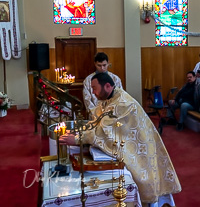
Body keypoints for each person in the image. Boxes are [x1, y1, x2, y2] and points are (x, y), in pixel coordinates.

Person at [60, 73, 181, 204]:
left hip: (141, 153)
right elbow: (99, 121)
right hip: (135, 144)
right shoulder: (110, 99)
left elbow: (103, 131)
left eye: (94, 88)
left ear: (107, 86)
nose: (93, 93)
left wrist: (78, 138)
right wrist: (79, 130)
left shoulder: (122, 103)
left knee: (142, 181)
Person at [83, 52, 122, 117]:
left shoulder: (115, 79)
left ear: (108, 63)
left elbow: (119, 96)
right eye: (99, 65)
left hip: (112, 113)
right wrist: (95, 114)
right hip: (95, 115)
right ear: (95, 64)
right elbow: (87, 100)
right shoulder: (88, 80)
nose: (102, 68)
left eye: (104, 65)